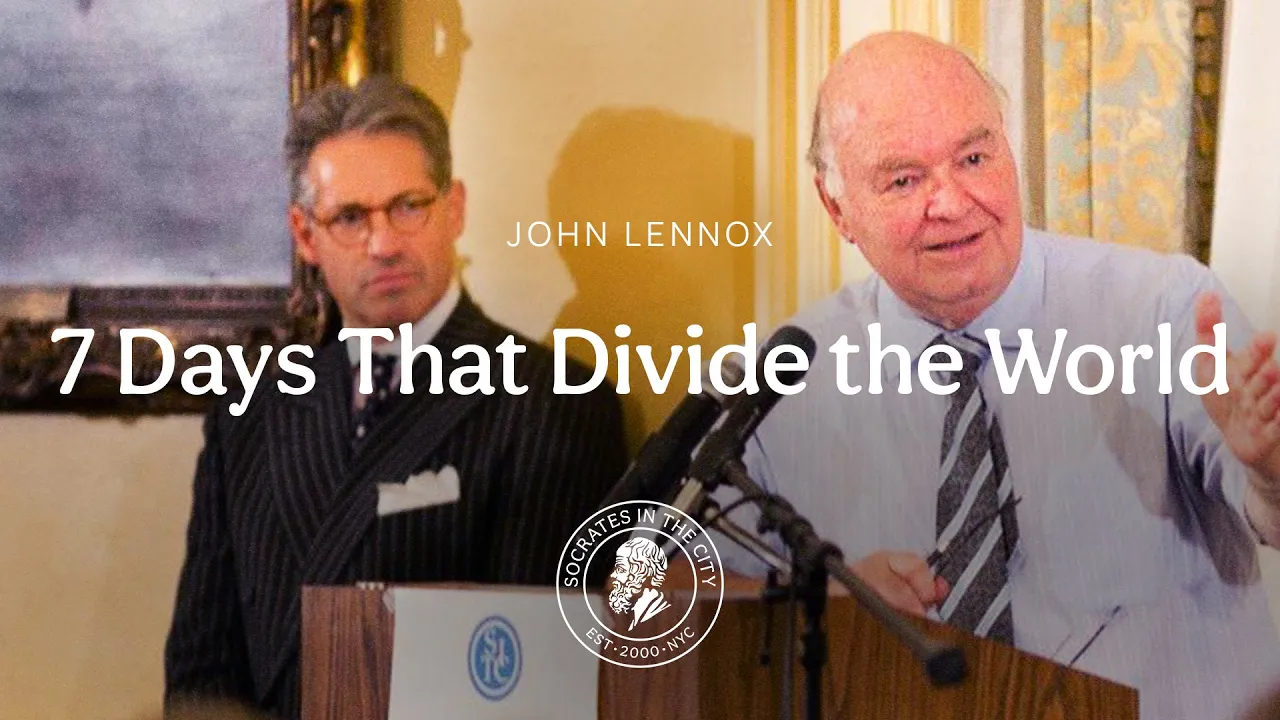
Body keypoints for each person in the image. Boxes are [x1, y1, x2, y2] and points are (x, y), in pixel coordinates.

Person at [718, 31, 1280, 720]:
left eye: (974, 158)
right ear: (838, 209)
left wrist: (1270, 466)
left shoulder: (1163, 309)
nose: (953, 202)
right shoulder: (780, 381)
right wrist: (812, 596)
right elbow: (647, 585)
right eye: (904, 180)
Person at [163, 76, 629, 719]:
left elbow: (525, 687)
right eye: (351, 218)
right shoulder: (252, 409)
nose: (384, 244)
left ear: (454, 209)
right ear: (305, 236)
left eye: (409, 207)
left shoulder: (552, 403)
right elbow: (201, 678)